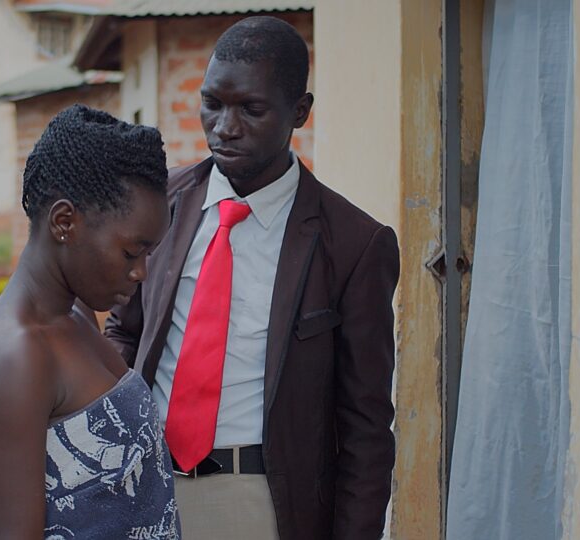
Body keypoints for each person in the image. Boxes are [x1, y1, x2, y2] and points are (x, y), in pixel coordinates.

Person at [105, 16, 400, 540]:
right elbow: (124, 332)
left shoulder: (354, 245)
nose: (225, 126)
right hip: (143, 485)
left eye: (251, 109)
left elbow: (365, 428)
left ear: (300, 112)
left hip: (256, 502)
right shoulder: (162, 206)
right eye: (213, 103)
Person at [0, 104, 180, 539]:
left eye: (148, 254)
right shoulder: (18, 356)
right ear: (65, 222)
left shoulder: (78, 316)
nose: (141, 272)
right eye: (130, 252)